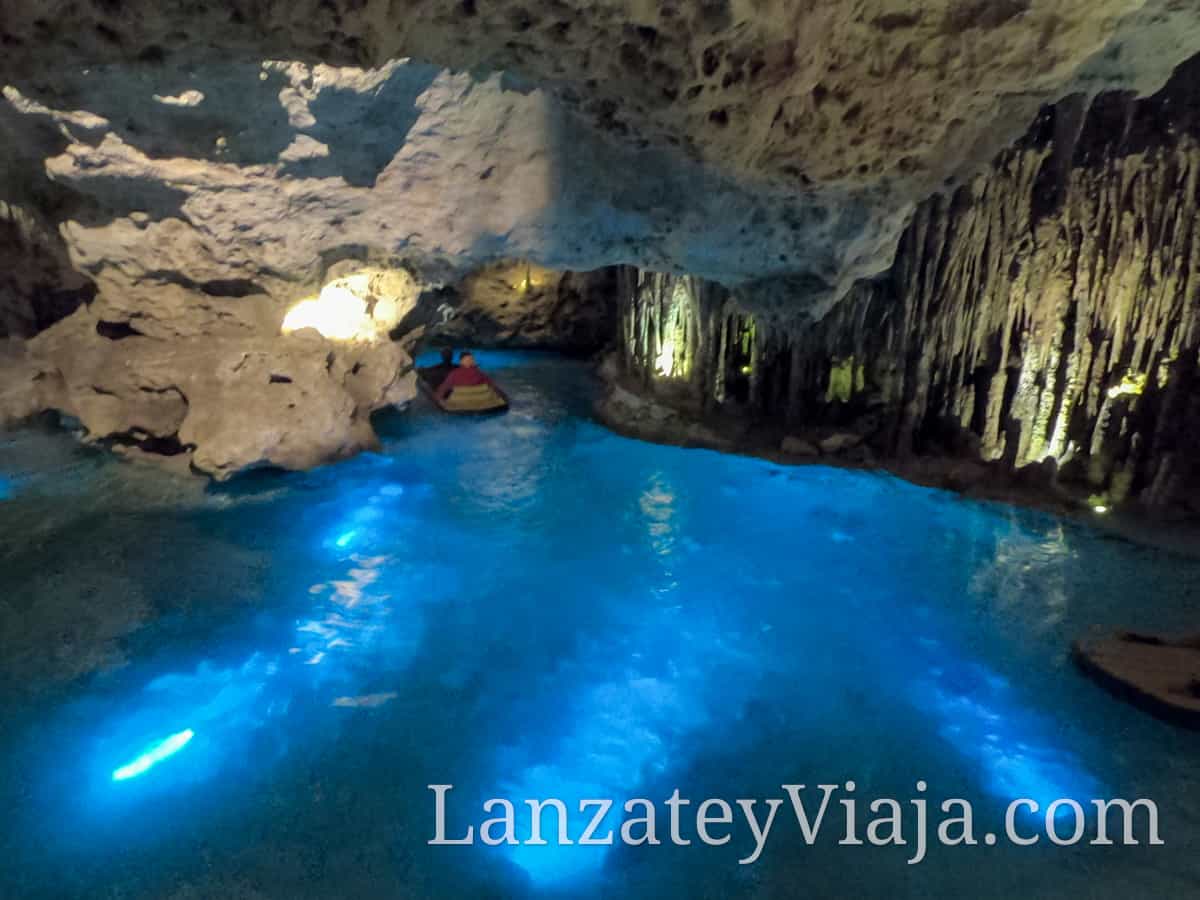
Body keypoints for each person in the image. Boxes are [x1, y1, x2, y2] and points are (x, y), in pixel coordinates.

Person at [434, 351, 499, 401]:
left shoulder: (454, 374)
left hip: (460, 401)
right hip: (478, 400)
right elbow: (492, 385)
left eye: (472, 359)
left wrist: (438, 398)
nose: (472, 361)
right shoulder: (479, 373)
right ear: (473, 362)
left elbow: (443, 388)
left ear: (461, 362)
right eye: (472, 359)